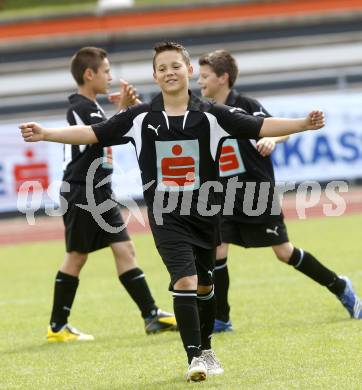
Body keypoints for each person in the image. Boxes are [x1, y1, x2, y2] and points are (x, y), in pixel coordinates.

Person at [20, 41, 325, 382]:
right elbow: (93, 133)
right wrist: (46, 133)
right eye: (162, 68)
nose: (169, 72)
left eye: (175, 66)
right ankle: (194, 357)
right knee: (185, 279)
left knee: (205, 286)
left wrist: (303, 124)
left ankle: (206, 348)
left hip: (206, 214)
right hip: (166, 217)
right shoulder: (140, 118)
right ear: (155, 75)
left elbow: (259, 126)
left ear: (188, 70)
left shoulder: (212, 114)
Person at [197, 49, 362, 333]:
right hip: (223, 195)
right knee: (218, 251)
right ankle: (221, 319)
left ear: (223, 78)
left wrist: (273, 140)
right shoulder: (204, 110)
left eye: (204, 76)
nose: (199, 82)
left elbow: (277, 128)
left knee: (284, 252)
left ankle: (340, 286)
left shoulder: (246, 104)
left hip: (255, 191)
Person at [46, 46, 177, 343]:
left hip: (97, 191)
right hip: (83, 190)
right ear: (89, 74)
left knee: (122, 249)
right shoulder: (81, 106)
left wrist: (125, 110)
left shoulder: (91, 107)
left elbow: (106, 130)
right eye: (105, 71)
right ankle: (57, 326)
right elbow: (105, 133)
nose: (110, 76)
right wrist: (128, 110)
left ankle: (151, 315)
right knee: (77, 257)